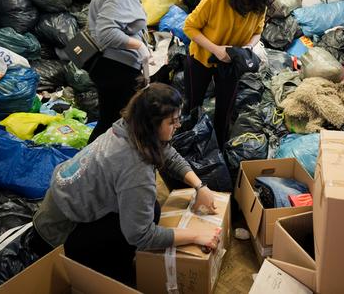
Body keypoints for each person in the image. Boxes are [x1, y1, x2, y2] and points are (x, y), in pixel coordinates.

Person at [31, 83, 221, 284]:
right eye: (172, 121)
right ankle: (108, 273)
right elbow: (142, 236)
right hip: (58, 236)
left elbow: (167, 153)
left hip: (56, 209)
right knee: (142, 228)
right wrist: (195, 236)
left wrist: (200, 186)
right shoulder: (136, 169)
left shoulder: (129, 126)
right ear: (152, 124)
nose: (178, 125)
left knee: (151, 209)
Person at [183, 0, 273, 148]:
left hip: (232, 62)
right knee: (193, 106)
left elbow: (258, 31)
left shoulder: (260, 1)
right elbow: (189, 27)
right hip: (202, 58)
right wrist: (216, 49)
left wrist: (247, 49)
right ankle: (190, 146)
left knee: (225, 110)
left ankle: (219, 150)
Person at [87, 0, 153, 144]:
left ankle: (91, 165)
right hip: (116, 69)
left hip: (112, 67)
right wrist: (139, 46)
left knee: (109, 121)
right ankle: (88, 166)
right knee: (112, 124)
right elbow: (106, 34)